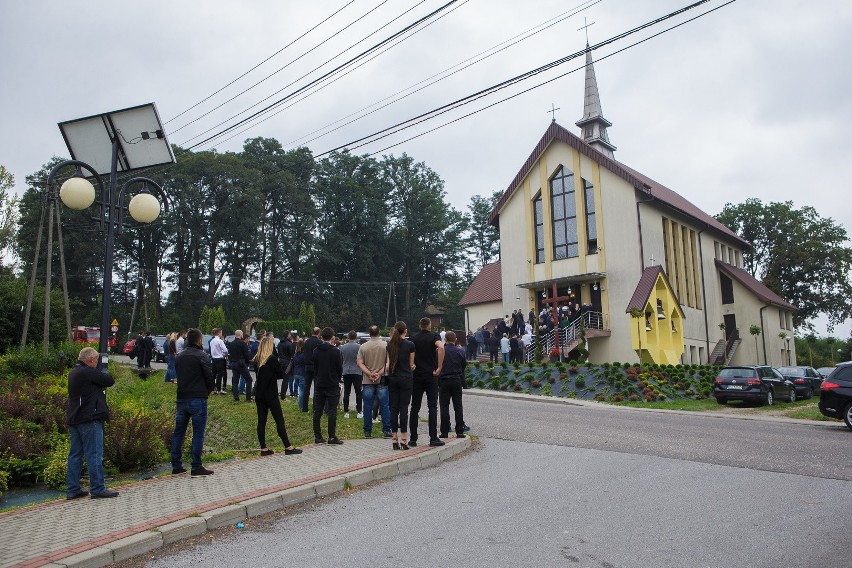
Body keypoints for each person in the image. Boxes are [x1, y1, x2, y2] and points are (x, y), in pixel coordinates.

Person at [66, 347, 118, 499]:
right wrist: (101, 372)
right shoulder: (88, 371)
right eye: (96, 360)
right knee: (94, 454)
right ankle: (97, 488)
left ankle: (73, 489)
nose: (97, 363)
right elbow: (109, 380)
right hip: (90, 418)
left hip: (74, 417)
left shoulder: (74, 372)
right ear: (89, 360)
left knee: (75, 455)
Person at [170, 328, 215, 477]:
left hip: (182, 397)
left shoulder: (180, 356)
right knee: (198, 433)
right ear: (199, 340)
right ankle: (196, 466)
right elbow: (209, 377)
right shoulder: (202, 356)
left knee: (178, 433)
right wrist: (206, 391)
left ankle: (176, 465)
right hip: (198, 398)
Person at [253, 336, 302, 457]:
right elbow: (281, 374)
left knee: (261, 421)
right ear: (270, 347)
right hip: (271, 394)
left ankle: (263, 448)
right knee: (279, 420)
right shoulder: (272, 359)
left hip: (259, 394)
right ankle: (288, 446)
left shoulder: (257, 359)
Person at [409, 317, 444, 448]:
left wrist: (411, 365)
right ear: (429, 326)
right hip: (431, 375)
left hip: (417, 375)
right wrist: (439, 367)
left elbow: (408, 354)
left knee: (414, 407)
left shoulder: (413, 338)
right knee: (432, 407)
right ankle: (433, 437)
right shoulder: (434, 337)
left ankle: (413, 438)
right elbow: (441, 348)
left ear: (420, 326)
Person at [357, 325, 391, 439]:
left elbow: (360, 363)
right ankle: (387, 430)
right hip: (382, 379)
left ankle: (367, 431)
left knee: (367, 406)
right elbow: (388, 364)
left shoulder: (363, 346)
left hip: (367, 380)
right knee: (385, 405)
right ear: (379, 333)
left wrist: (369, 373)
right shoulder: (385, 345)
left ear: (369, 333)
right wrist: (379, 373)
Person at [385, 321, 415, 450]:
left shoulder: (389, 345)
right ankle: (404, 440)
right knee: (404, 409)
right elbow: (411, 365)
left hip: (393, 378)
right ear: (405, 331)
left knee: (393, 408)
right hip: (406, 378)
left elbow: (388, 364)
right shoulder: (410, 345)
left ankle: (394, 439)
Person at [312, 327, 344, 445]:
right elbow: (339, 368)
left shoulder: (316, 350)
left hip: (320, 383)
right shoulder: (335, 351)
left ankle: (318, 436)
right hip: (332, 384)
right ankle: (331, 436)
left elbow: (315, 367)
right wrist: (337, 378)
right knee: (332, 411)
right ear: (332, 337)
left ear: (321, 337)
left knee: (318, 411)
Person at [438, 331, 467, 439]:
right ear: (455, 340)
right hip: (456, 379)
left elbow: (437, 364)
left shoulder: (440, 351)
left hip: (444, 380)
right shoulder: (460, 351)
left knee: (444, 406)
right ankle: (459, 431)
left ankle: (445, 431)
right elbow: (463, 365)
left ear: (445, 339)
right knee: (458, 406)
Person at [340, 331, 363, 419]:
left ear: (348, 337)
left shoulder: (343, 347)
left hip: (346, 371)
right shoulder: (359, 347)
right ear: (356, 337)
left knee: (347, 391)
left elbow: (341, 359)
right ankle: (359, 411)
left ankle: (346, 411)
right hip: (357, 371)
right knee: (358, 392)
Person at [301, 327, 322, 413]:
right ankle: (315, 408)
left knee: (307, 387)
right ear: (318, 333)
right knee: (316, 388)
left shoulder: (306, 342)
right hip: (316, 366)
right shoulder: (319, 342)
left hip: (307, 366)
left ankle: (305, 407)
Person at [227, 330, 253, 402]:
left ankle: (236, 398)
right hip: (241, 363)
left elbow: (230, 354)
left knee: (235, 381)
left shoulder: (231, 343)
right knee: (249, 380)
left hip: (233, 363)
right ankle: (248, 398)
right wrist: (247, 363)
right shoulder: (242, 343)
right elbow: (246, 354)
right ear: (241, 334)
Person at [209, 328, 228, 394]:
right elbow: (225, 350)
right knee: (219, 375)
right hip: (220, 359)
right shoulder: (220, 341)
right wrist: (225, 355)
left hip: (214, 359)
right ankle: (219, 389)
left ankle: (213, 388)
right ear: (219, 333)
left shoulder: (212, 341)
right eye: (221, 332)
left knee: (213, 374)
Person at [278, 330, 296, 400]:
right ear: (288, 335)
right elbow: (292, 354)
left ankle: (279, 393)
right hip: (287, 364)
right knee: (286, 380)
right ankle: (283, 395)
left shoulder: (280, 343)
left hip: (280, 362)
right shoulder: (289, 344)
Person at [293, 339, 308, 410]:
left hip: (296, 373)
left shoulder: (296, 354)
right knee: (302, 391)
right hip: (302, 373)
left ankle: (300, 404)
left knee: (300, 389)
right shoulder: (304, 355)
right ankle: (300, 406)